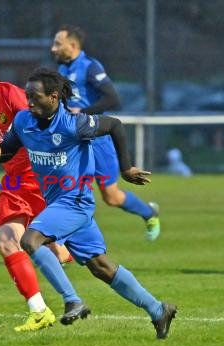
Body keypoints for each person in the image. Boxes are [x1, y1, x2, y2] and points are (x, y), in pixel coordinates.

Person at [0, 68, 177, 339]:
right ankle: (158, 310)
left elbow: (114, 125)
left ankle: (72, 300)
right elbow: (7, 149)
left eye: (35, 96)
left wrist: (125, 168)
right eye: (27, 96)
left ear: (54, 97)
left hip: (75, 202)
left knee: (30, 241)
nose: (28, 102)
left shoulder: (73, 124)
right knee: (101, 267)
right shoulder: (23, 120)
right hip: (58, 204)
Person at [0, 42, 87, 333]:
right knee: (7, 241)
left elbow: (48, 125)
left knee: (59, 251)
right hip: (15, 184)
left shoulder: (14, 98)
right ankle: (39, 311)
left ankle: (65, 253)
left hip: (44, 179)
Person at [51, 25, 161, 241]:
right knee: (67, 192)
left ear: (72, 46)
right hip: (73, 142)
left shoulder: (90, 67)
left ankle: (149, 213)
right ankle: (60, 249)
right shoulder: (62, 70)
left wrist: (82, 112)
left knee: (111, 197)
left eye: (57, 44)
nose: (53, 49)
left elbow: (113, 99)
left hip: (97, 140)